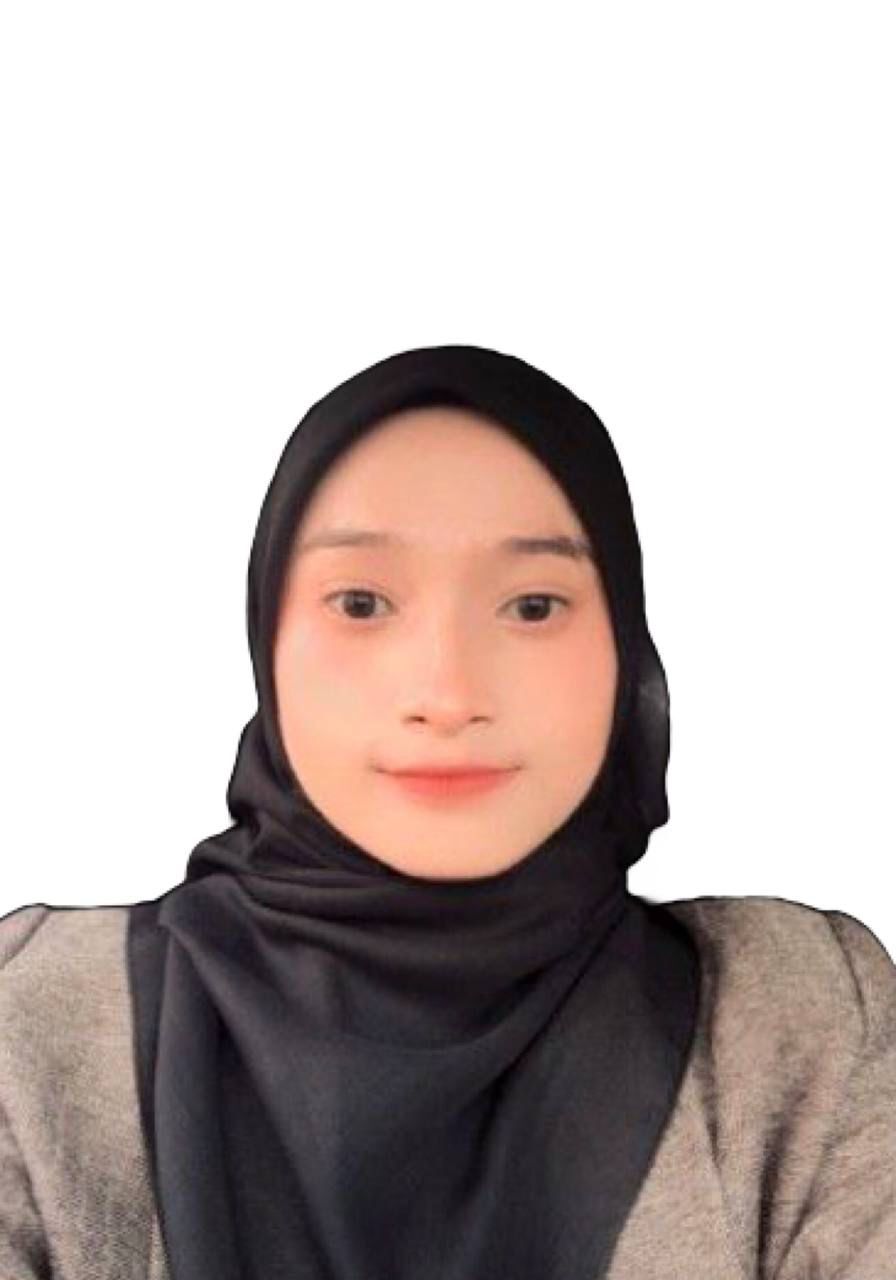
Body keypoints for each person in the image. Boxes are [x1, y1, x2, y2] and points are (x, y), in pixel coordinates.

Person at [1, 343, 894, 1280]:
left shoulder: (800, 1033)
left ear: (625, 644)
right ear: (267, 640)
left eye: (534, 606)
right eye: (360, 602)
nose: (448, 693)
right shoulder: (38, 1030)